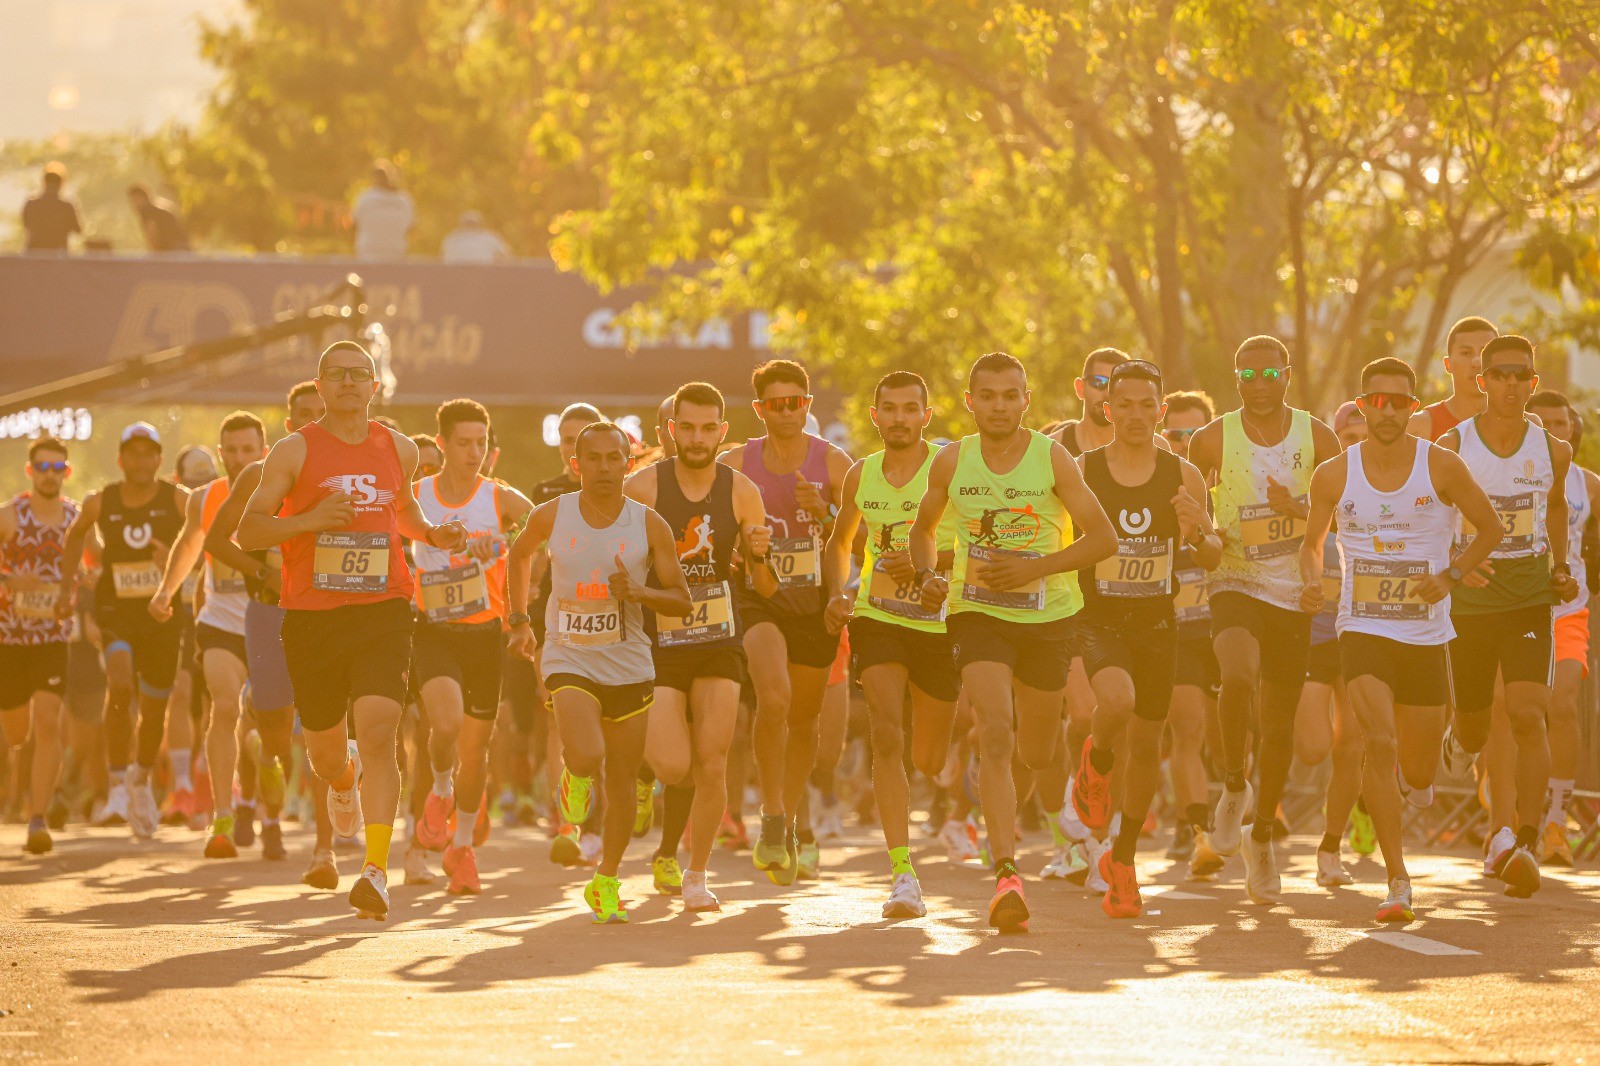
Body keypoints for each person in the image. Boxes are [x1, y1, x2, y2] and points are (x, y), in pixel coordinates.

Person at [237, 341, 467, 919]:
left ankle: (374, 870)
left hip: (382, 607)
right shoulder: (293, 451)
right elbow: (249, 532)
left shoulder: (400, 447)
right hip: (312, 616)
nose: (347, 383)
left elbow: (404, 511)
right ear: (319, 385)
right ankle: (342, 783)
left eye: (358, 375)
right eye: (336, 375)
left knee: (381, 730)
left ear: (374, 385)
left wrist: (434, 535)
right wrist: (311, 520)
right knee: (324, 751)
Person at [909, 351, 1116, 932]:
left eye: (1010, 395)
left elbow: (1102, 539)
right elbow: (924, 531)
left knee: (1039, 752)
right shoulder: (952, 461)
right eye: (988, 395)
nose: (999, 405)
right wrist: (928, 576)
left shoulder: (1053, 458)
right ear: (970, 401)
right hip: (977, 613)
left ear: (1026, 400)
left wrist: (1038, 568)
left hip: (1050, 617)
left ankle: (1024, 811)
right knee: (995, 730)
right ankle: (1005, 873)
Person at [1300, 356, 1504, 923]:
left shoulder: (1441, 466)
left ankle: (1437, 755)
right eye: (1377, 400)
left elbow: (1490, 528)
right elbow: (1312, 542)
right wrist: (1311, 579)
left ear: (1414, 407)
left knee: (1416, 773)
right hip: (1361, 627)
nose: (1387, 411)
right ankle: (1397, 879)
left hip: (1425, 635)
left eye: (1399, 401)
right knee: (1379, 743)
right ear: (1361, 405)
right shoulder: (1333, 475)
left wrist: (1452, 576)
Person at [506, 422, 692, 924]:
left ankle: (606, 879)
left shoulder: (647, 524)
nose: (606, 467)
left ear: (628, 464)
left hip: (629, 660)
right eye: (596, 459)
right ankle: (574, 773)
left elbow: (682, 599)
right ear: (577, 465)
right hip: (568, 654)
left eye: (616, 458)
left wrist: (641, 593)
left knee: (625, 782)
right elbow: (519, 555)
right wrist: (520, 619)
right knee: (587, 753)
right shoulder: (554, 514)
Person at [1185, 335, 1341, 904]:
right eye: (1246, 375)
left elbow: (1347, 506)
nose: (1258, 384)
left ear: (1288, 375)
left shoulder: (1316, 435)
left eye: (1268, 373)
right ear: (1235, 378)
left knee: (1279, 726)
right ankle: (1232, 785)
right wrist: (1199, 524)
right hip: (1233, 578)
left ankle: (1261, 839)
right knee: (1239, 676)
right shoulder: (1212, 437)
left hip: (1293, 589)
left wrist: (1298, 511)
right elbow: (1186, 489)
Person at [1067, 360, 1221, 918]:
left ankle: (1124, 861)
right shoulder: (1082, 470)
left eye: (1145, 405)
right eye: (1123, 404)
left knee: (1150, 747)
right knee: (1118, 702)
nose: (1135, 414)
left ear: (1160, 409)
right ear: (1107, 409)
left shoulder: (1183, 476)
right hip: (1098, 617)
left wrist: (1198, 527)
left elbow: (1211, 556)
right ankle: (1096, 756)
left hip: (1158, 619)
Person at [1437, 335, 1577, 898]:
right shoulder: (1453, 446)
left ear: (1533, 384)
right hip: (1471, 601)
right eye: (1500, 375)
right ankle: (1458, 737)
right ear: (1482, 381)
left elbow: (1558, 506)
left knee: (1527, 712)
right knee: (1475, 727)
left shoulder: (1552, 450)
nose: (1511, 385)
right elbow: (1433, 517)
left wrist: (1562, 565)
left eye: (1522, 375)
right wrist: (1454, 565)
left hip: (1526, 596)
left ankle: (1525, 837)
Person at [626, 383, 774, 911]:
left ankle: (696, 873)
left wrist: (759, 555)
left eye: (707, 428)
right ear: (671, 431)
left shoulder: (741, 491)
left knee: (711, 762)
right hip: (658, 639)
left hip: (718, 638)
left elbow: (768, 587)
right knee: (673, 765)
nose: (696, 438)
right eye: (686, 427)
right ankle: (648, 776)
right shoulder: (642, 488)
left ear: (722, 432)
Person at [824, 371, 960, 919]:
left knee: (928, 758)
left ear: (926, 416)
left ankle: (934, 787)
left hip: (940, 619)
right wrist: (838, 594)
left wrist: (930, 565)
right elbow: (840, 544)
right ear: (875, 416)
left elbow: (980, 540)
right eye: (890, 408)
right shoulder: (861, 475)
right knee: (885, 731)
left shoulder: (949, 469)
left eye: (911, 408)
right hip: (878, 615)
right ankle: (902, 873)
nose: (900, 418)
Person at [718, 360, 853, 885]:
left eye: (796, 401)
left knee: (804, 722)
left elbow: (862, 542)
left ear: (807, 404)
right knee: (773, 698)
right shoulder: (737, 463)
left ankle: (788, 822)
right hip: (759, 600)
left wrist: (823, 513)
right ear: (760, 410)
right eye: (776, 404)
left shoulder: (835, 464)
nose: (788, 411)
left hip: (815, 605)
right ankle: (772, 812)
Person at [204, 381, 333, 886]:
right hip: (268, 614)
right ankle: (269, 790)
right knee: (277, 737)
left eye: (319, 415)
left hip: (326, 612)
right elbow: (217, 540)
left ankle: (324, 850)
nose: (311, 424)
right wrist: (263, 572)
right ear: (287, 424)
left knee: (325, 725)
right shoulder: (260, 474)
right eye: (302, 416)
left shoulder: (352, 475)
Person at [410, 399, 533, 896]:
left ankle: (461, 848)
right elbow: (389, 532)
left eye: (481, 442)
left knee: (477, 748)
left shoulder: (499, 497)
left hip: (485, 633)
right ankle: (440, 787)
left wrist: (503, 544)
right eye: (463, 442)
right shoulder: (416, 495)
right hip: (435, 628)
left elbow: (539, 528)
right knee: (446, 723)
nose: (474, 452)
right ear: (441, 444)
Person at [55, 422, 189, 840]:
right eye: (133, 453)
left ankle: (141, 779)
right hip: (116, 611)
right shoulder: (101, 501)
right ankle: (115, 784)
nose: (141, 460)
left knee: (154, 708)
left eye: (149, 453)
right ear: (121, 459)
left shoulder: (178, 500)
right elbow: (75, 536)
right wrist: (71, 583)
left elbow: (204, 539)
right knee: (119, 682)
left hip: (162, 615)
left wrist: (178, 562)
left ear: (159, 460)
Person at [149, 412, 274, 858]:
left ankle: (259, 797)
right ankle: (221, 816)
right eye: (232, 451)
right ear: (222, 455)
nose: (240, 459)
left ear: (264, 451)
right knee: (224, 707)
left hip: (272, 624)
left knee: (268, 729)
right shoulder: (205, 498)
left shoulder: (285, 492)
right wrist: (165, 591)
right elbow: (188, 546)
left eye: (249, 450)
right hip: (220, 623)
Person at [527, 402, 605, 864]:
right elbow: (532, 553)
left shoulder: (622, 493)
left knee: (605, 723)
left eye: (584, 438)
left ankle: (596, 821)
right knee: (561, 715)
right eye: (567, 438)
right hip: (556, 619)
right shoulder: (546, 493)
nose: (574, 447)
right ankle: (566, 818)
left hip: (609, 618)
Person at [1298, 399, 1370, 888]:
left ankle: (1330, 846)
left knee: (1351, 746)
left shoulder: (1393, 492)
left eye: (1364, 437)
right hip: (1316, 631)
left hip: (1363, 631)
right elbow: (1303, 544)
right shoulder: (1323, 485)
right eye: (1350, 438)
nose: (1358, 446)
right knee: (1313, 748)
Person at [0, 438, 79, 853]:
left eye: (57, 466)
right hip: (8, 639)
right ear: (31, 472)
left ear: (66, 472)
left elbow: (100, 564)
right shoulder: (10, 516)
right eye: (42, 466)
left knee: (48, 722)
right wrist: (10, 582)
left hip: (52, 637)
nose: (50, 473)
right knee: (17, 733)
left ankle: (37, 819)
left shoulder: (76, 519)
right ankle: (17, 773)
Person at [1159, 390, 1226, 874]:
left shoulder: (1229, 483)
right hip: (1177, 631)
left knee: (1227, 743)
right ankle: (1198, 833)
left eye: (1192, 434)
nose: (1182, 443)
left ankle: (1239, 811)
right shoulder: (1150, 482)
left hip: (1227, 626)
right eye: (1174, 434)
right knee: (1188, 730)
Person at [1410, 317, 1499, 441]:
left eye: (1485, 352)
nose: (1477, 362)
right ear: (1448, 364)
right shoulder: (1418, 428)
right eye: (1466, 353)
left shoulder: (1523, 427)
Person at [352, 160, 415, 260]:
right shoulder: (404, 200)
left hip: (368, 255)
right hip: (396, 255)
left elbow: (354, 224)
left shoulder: (366, 198)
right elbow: (410, 229)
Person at [22, 164, 81, 254]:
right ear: (61, 184)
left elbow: (26, 225)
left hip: (34, 251)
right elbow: (78, 230)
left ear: (43, 183)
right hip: (59, 254)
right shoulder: (66, 206)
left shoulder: (32, 204)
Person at [127, 185, 190, 252]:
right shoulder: (158, 208)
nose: (133, 204)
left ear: (142, 197)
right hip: (184, 250)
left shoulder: (147, 212)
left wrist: (155, 256)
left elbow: (152, 235)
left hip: (172, 252)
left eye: (134, 200)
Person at [440, 211, 511, 263]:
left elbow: (504, 255)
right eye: (468, 223)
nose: (470, 225)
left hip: (484, 272)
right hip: (456, 273)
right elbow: (443, 257)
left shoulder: (489, 237)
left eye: (472, 223)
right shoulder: (453, 238)